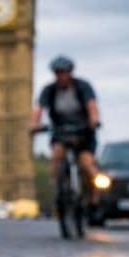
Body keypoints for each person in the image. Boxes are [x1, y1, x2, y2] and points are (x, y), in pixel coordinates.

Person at [29, 55, 101, 211]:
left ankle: (92, 199)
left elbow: (92, 106)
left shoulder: (82, 86)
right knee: (57, 156)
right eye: (57, 73)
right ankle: (60, 191)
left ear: (70, 72)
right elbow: (39, 108)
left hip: (84, 132)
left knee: (86, 166)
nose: (60, 76)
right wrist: (34, 125)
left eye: (63, 72)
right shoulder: (49, 90)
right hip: (60, 131)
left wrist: (94, 120)